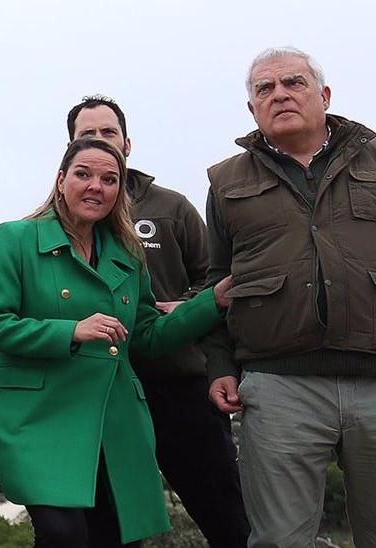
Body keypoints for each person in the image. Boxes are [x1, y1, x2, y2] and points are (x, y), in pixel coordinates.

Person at [201, 47, 376, 548]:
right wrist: (220, 364)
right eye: (264, 89)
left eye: (293, 82)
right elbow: (217, 283)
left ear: (324, 95)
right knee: (279, 541)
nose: (280, 95)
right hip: (278, 386)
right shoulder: (226, 181)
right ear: (252, 109)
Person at [0, 137, 236, 547]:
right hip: (37, 417)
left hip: (113, 420)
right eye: (83, 174)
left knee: (114, 539)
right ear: (61, 180)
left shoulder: (129, 254)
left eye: (109, 179)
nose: (96, 186)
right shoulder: (15, 238)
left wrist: (212, 302)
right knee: (63, 535)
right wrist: (71, 331)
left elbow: (147, 336)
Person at [66, 97, 250, 547]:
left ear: (126, 142)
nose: (98, 142)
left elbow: (215, 280)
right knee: (109, 527)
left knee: (226, 515)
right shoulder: (59, 222)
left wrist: (181, 307)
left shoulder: (172, 207)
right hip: (102, 393)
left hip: (180, 383)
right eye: (86, 136)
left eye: (107, 133)